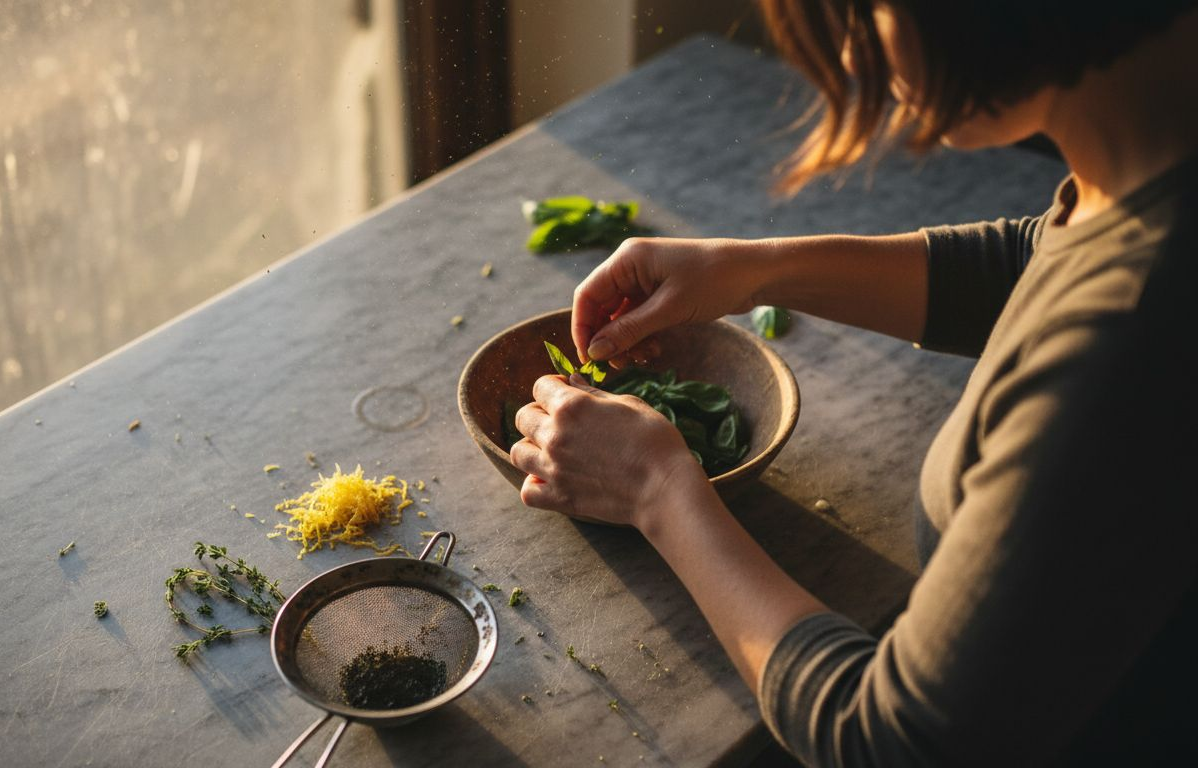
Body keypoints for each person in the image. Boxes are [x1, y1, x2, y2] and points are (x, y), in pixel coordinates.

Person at [507, 1, 1198, 764]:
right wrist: (755, 270)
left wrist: (658, 488)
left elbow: (893, 742)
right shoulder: (1155, 155)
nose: (849, 58)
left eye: (868, 11)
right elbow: (1045, 262)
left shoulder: (1136, 334)